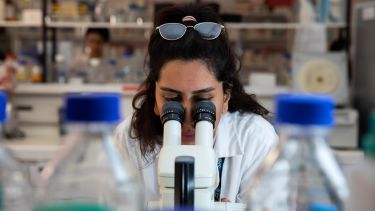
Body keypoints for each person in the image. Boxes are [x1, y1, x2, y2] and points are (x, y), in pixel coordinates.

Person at [114, 3, 278, 204]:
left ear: (225, 97)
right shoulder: (128, 139)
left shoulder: (255, 140)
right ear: (154, 97)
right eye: (172, 99)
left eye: (203, 100)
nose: (188, 117)